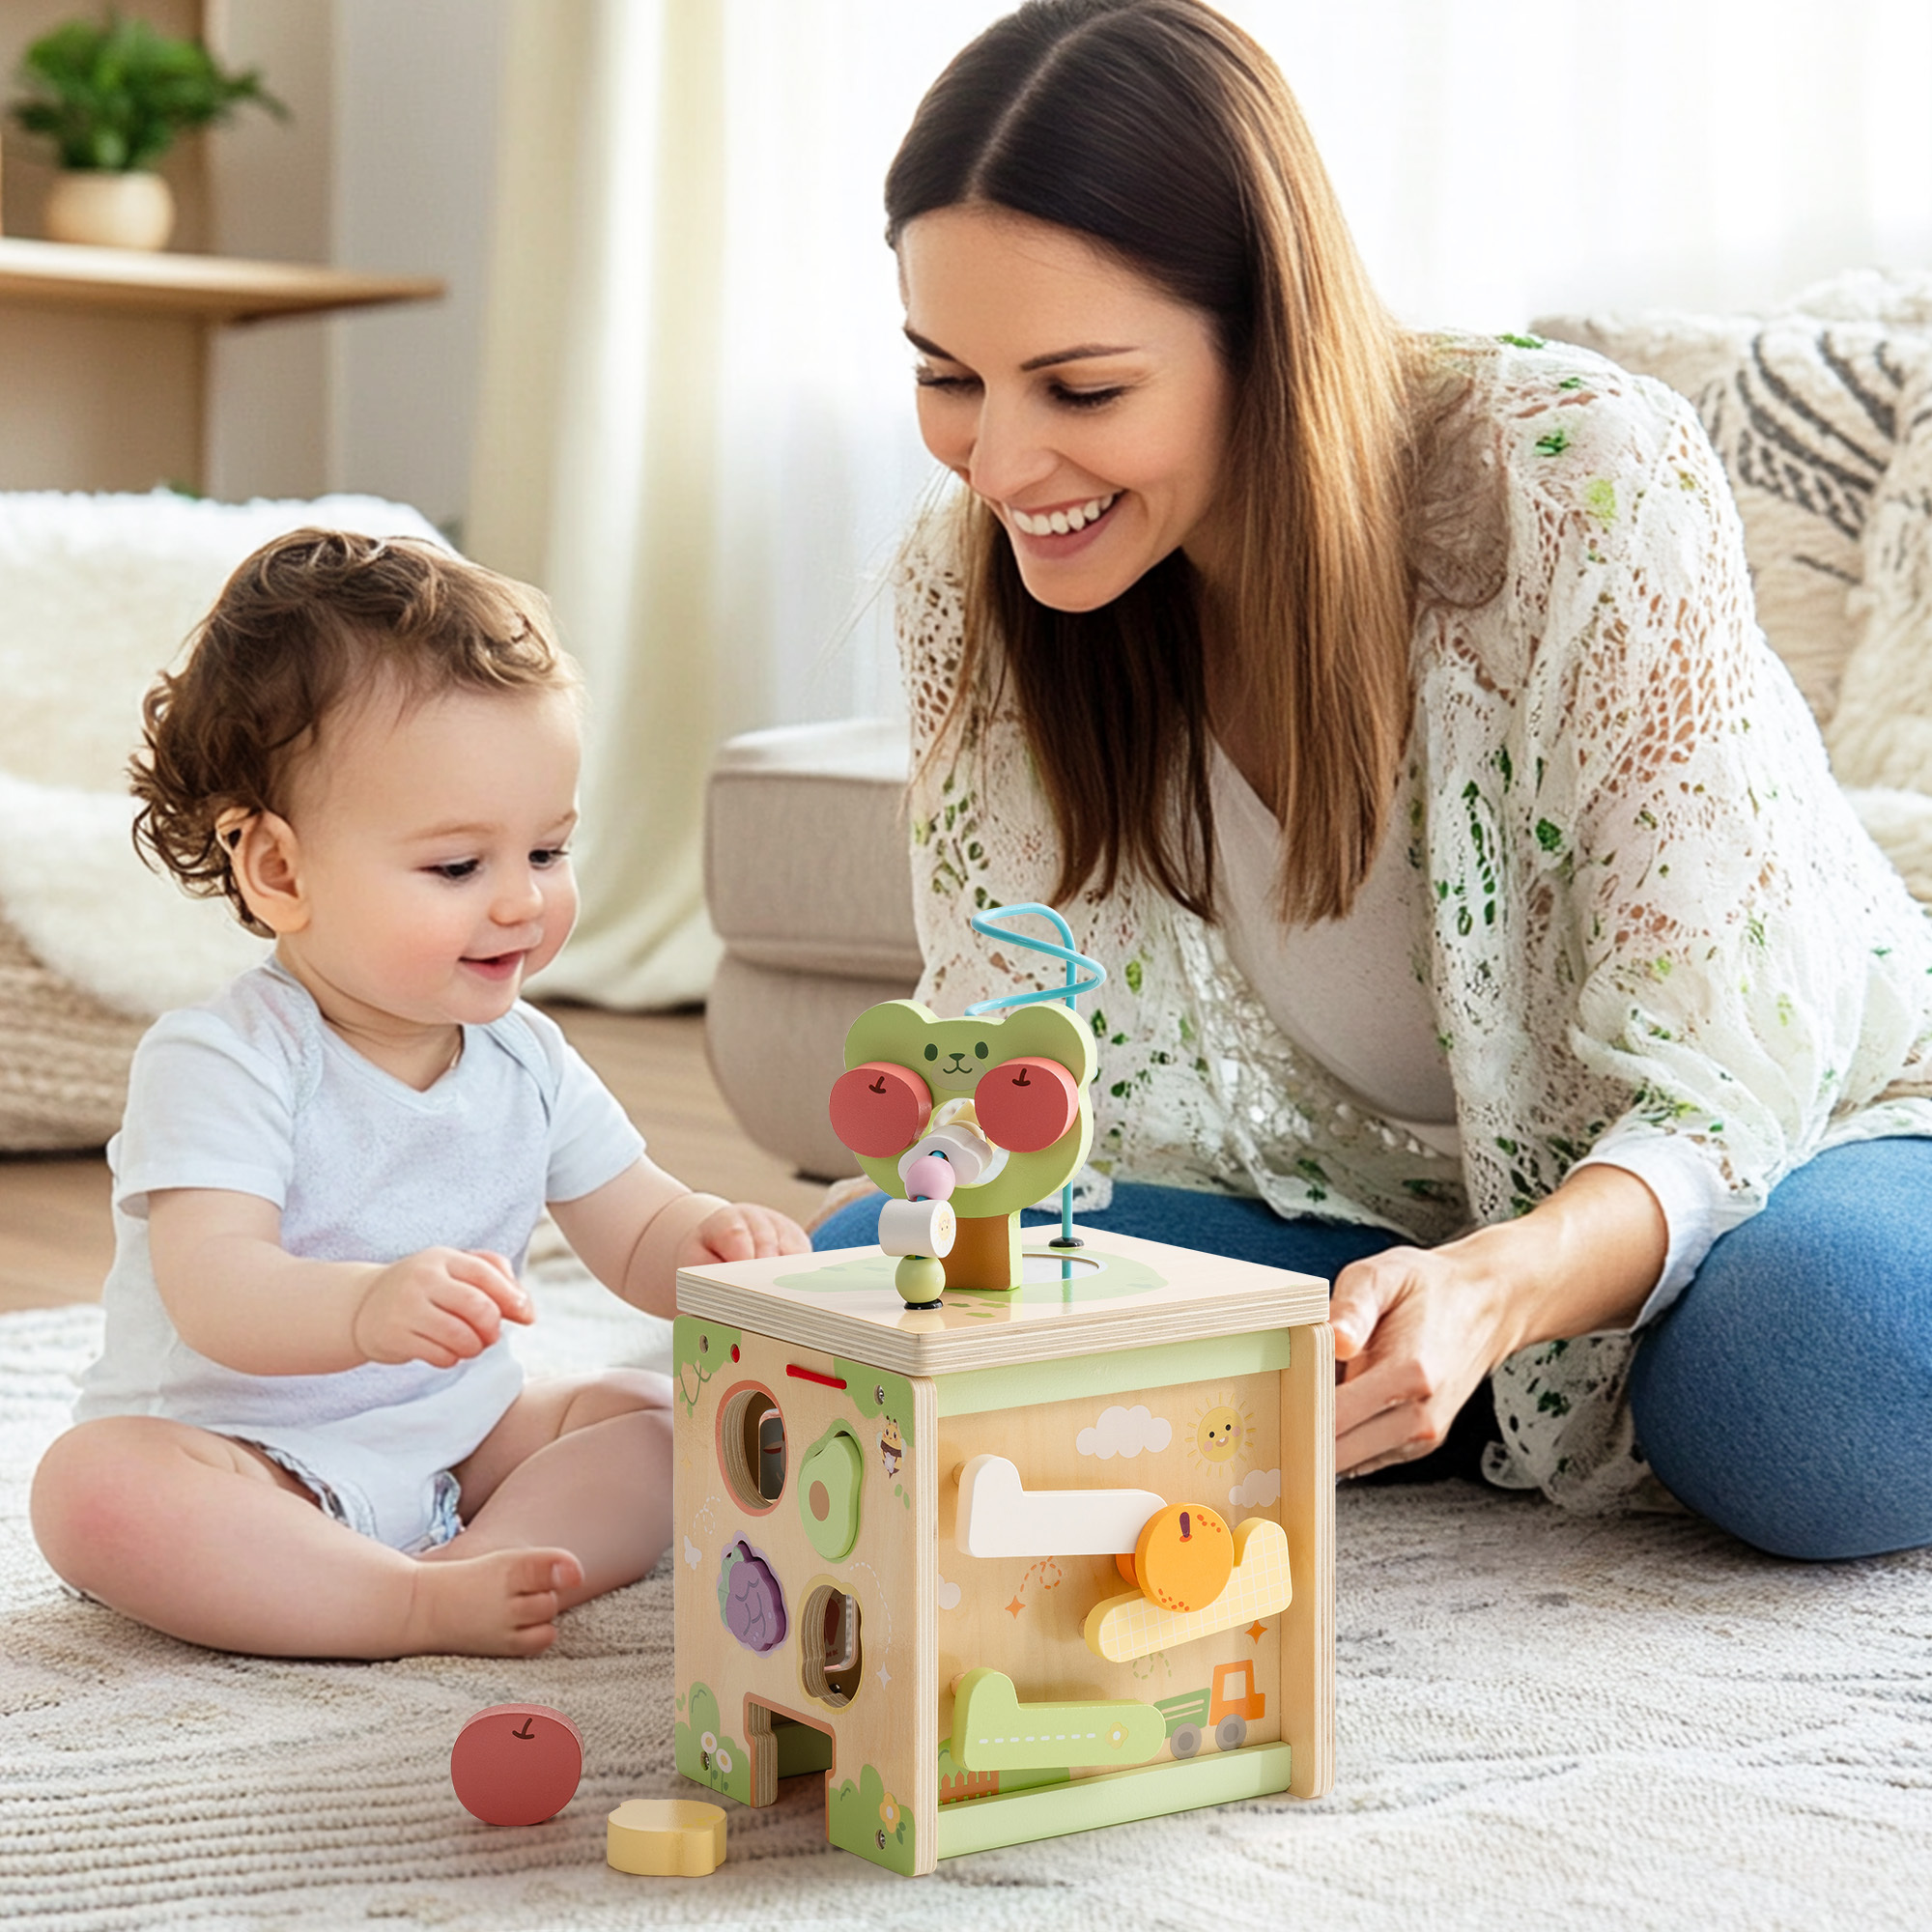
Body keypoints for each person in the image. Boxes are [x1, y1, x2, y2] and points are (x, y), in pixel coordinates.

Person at [812, 0, 1932, 1559]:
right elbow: (1026, 1087)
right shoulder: (984, 588)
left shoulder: (1577, 484)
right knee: (872, 1266)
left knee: (1816, 1379)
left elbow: (1725, 1084)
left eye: (1081, 391)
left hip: (1793, 1152)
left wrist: (1502, 1286)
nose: (999, 468)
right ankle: (1443, 1384)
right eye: (949, 377)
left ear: (1266, 334)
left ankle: (1509, 1371)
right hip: (1375, 1224)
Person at [30, 530, 810, 1659]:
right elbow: (217, 1288)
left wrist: (718, 1247)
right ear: (280, 870)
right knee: (92, 1488)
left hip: (458, 1443)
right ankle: (396, 1601)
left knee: (659, 1420)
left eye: (546, 851)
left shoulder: (527, 1056)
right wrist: (364, 1307)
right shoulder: (224, 1057)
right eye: (458, 866)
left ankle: (481, 1563)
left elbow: (638, 1227)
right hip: (246, 1455)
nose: (521, 903)